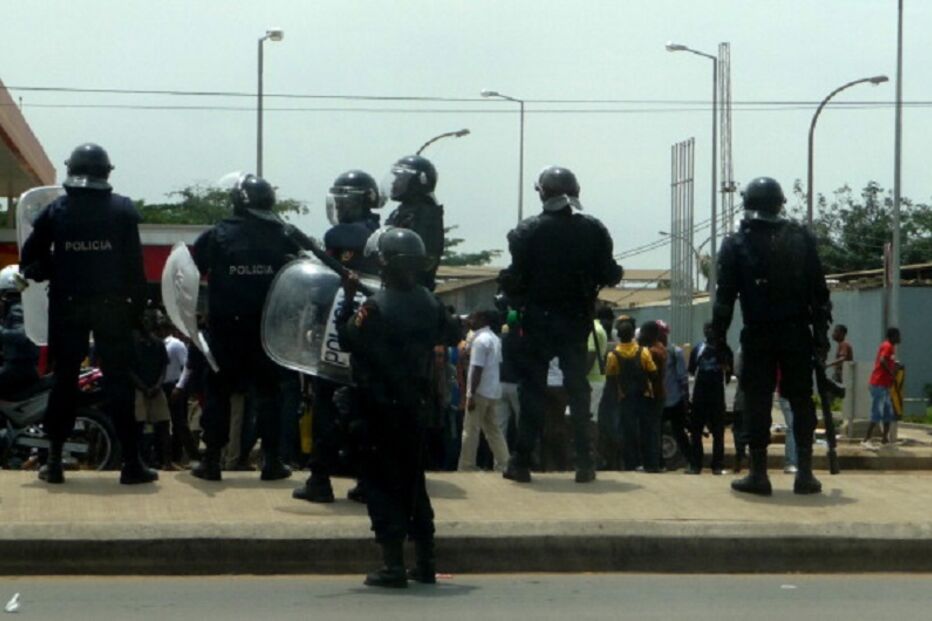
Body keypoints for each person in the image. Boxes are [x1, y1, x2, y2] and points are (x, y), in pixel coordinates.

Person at [20, 143, 156, 485]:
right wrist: (136, 314)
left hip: (68, 305)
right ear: (106, 172)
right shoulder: (122, 210)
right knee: (119, 382)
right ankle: (131, 463)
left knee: (63, 381)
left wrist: (54, 267)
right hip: (112, 307)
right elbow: (135, 270)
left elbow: (29, 260)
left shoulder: (56, 210)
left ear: (71, 171)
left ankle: (54, 462)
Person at [336, 228, 460, 588]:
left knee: (380, 484)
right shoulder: (430, 303)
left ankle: (392, 565)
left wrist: (348, 298)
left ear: (384, 263)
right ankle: (425, 562)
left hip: (377, 408)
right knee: (413, 483)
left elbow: (347, 338)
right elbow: (452, 333)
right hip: (416, 408)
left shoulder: (374, 307)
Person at [498, 165, 623, 484]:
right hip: (575, 321)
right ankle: (585, 462)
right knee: (578, 391)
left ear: (542, 193)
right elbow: (610, 273)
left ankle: (521, 461)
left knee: (532, 392)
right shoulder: (593, 229)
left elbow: (515, 279)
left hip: (538, 321)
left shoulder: (526, 231)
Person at [714, 176, 831, 496]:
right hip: (797, 334)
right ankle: (804, 473)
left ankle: (758, 473)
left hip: (759, 334)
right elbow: (820, 296)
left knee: (757, 401)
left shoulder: (736, 243)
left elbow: (724, 300)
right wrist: (821, 339)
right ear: (779, 204)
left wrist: (719, 341)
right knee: (801, 400)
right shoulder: (802, 239)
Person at [190, 173, 304, 482]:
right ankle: (272, 462)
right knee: (269, 396)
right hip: (266, 330)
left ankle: (211, 461)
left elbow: (190, 273)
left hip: (225, 331)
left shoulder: (216, 235)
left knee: (218, 394)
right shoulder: (283, 235)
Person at [294, 170, 382, 504]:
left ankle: (320, 478)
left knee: (326, 408)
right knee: (364, 410)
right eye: (339, 200)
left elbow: (324, 287)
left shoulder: (345, 236)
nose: (342, 207)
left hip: (339, 326)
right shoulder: (382, 235)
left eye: (348, 200)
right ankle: (366, 480)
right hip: (368, 336)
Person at [601, 318, 657, 471]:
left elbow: (611, 379)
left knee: (627, 432)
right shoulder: (643, 352)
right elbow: (653, 373)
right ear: (633, 335)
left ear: (618, 336)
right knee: (646, 430)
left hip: (624, 398)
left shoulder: (613, 355)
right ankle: (649, 464)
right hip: (643, 397)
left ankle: (631, 464)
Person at [458, 309, 510, 471]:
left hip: (479, 392)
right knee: (494, 430)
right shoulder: (494, 339)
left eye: (472, 318)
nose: (470, 321)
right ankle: (504, 463)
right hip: (493, 391)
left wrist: (470, 394)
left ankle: (467, 465)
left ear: (482, 319)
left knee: (470, 430)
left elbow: (477, 369)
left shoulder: (480, 341)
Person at [384, 155, 444, 291]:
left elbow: (417, 259)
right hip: (392, 283)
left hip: (411, 288)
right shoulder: (400, 211)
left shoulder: (427, 215)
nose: (394, 183)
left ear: (418, 182)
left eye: (400, 179)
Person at [130, 309, 174, 470]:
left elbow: (163, 367)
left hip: (156, 389)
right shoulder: (133, 343)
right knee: (138, 426)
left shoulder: (158, 343)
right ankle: (139, 460)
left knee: (164, 424)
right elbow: (129, 369)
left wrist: (157, 385)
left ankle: (167, 461)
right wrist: (143, 387)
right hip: (139, 389)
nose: (147, 323)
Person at [687, 322, 733, 475]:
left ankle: (717, 465)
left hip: (717, 395)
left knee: (718, 432)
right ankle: (695, 465)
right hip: (700, 395)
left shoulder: (725, 350)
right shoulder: (698, 348)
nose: (709, 332)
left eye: (712, 329)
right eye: (706, 329)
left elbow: (729, 373)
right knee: (696, 431)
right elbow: (692, 370)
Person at [160, 317, 198, 465]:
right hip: (163, 386)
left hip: (175, 386)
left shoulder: (176, 345)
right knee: (168, 424)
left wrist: (180, 386)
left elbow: (187, 367)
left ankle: (193, 455)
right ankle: (174, 456)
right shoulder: (162, 344)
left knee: (180, 423)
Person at [0, 265, 39, 397]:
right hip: (23, 367)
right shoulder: (25, 305)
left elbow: (22, 334)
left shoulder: (17, 307)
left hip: (18, 369)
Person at [658, 321, 690, 471]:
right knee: (656, 434)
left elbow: (683, 378)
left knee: (679, 433)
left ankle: (691, 461)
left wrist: (685, 400)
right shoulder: (652, 351)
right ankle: (659, 464)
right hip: (660, 400)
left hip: (675, 400)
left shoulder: (675, 352)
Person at [863, 327, 900, 446]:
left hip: (884, 385)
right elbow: (883, 360)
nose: (900, 338)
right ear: (892, 336)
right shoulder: (887, 346)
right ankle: (866, 439)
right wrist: (891, 373)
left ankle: (885, 439)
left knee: (887, 413)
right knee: (877, 412)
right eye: (898, 335)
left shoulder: (891, 347)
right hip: (879, 384)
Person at [637, 321, 666, 472]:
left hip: (652, 395)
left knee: (650, 431)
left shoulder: (653, 352)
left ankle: (652, 464)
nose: (640, 336)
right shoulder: (659, 347)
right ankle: (653, 463)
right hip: (657, 395)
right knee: (653, 430)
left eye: (643, 332)